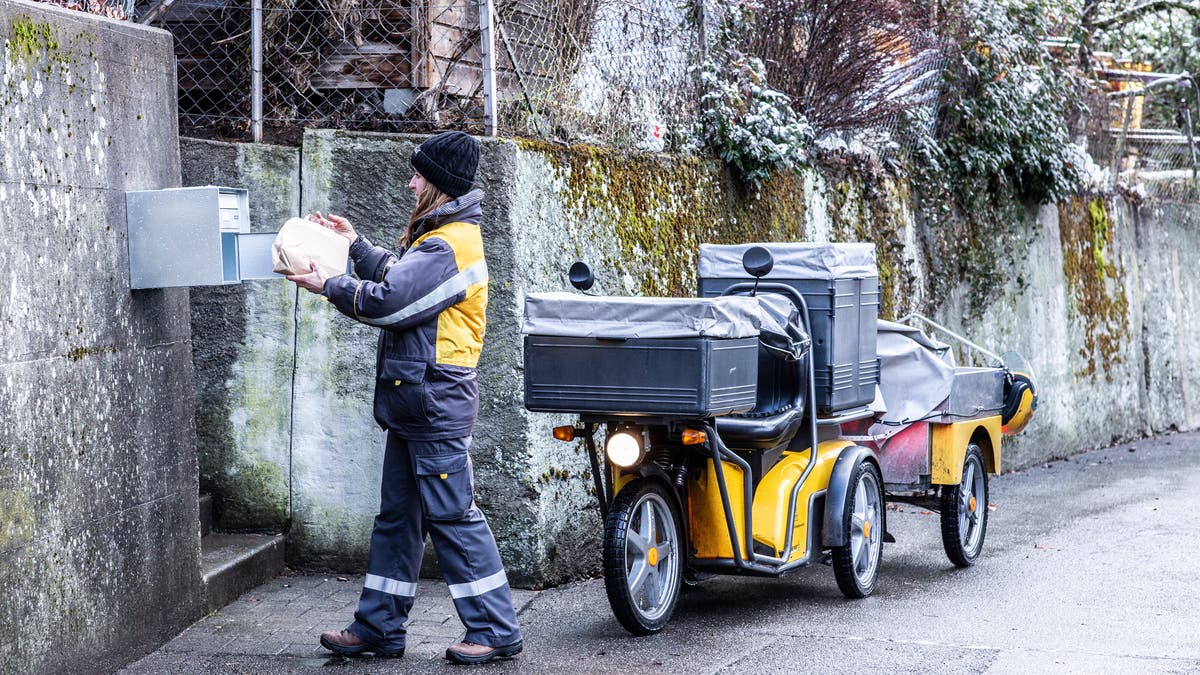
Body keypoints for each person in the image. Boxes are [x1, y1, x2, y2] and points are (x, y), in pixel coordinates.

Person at [286, 131, 523, 665]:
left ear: (437, 184)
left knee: (454, 518)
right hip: (418, 403)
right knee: (398, 518)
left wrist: (332, 284)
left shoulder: (449, 243)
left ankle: (496, 630)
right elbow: (402, 281)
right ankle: (378, 629)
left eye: (419, 174)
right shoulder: (441, 237)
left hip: (433, 405)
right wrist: (357, 247)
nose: (411, 181)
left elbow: (392, 304)